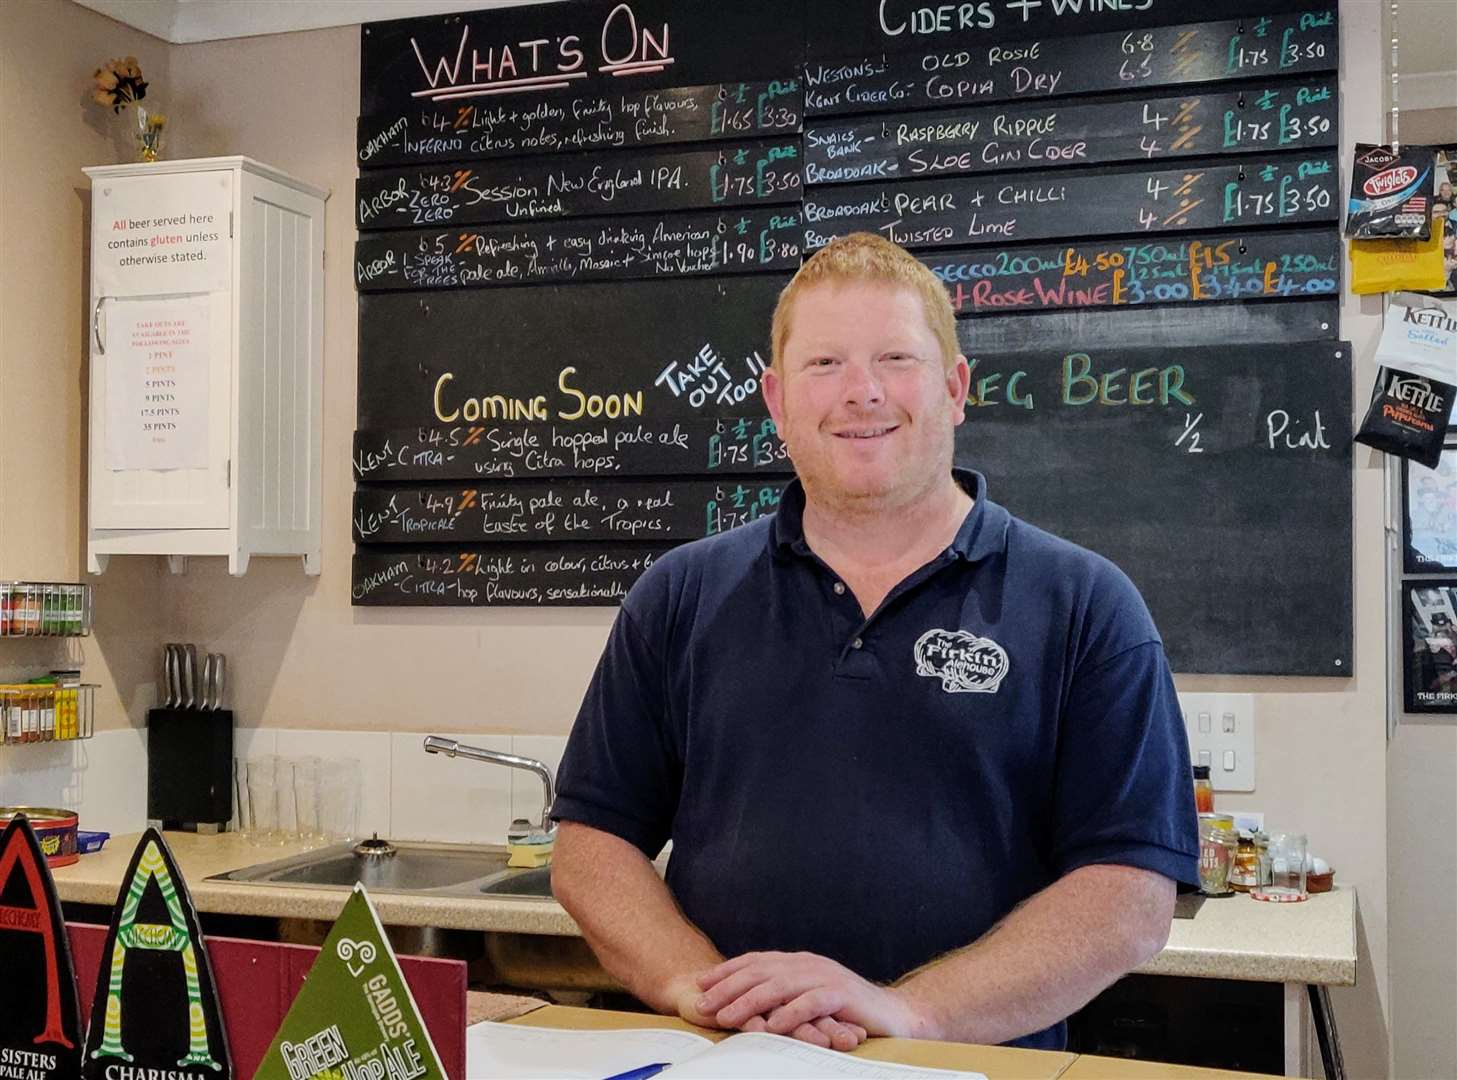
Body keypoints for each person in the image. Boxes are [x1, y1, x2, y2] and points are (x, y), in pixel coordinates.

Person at [549, 232, 1199, 1053]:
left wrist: (909, 1013)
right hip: (729, 1060)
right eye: (824, 366)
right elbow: (591, 844)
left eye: (895, 358)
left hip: (968, 1067)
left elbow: (1128, 896)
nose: (861, 393)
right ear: (776, 399)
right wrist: (699, 987)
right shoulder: (679, 594)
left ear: (955, 388)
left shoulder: (1085, 605)